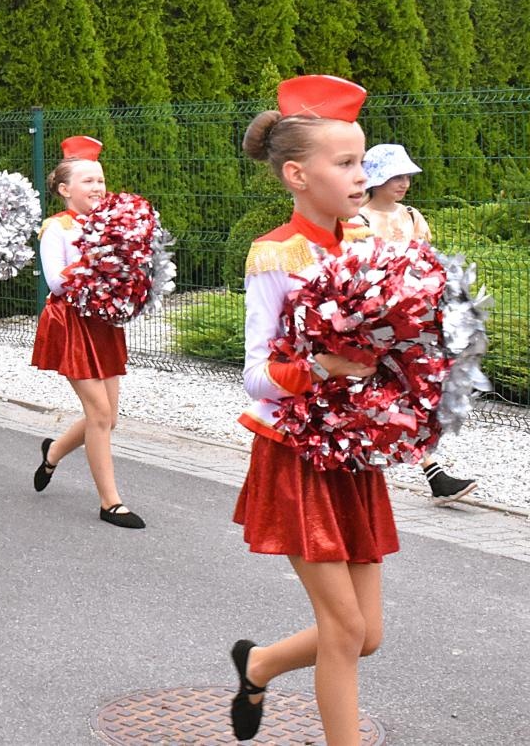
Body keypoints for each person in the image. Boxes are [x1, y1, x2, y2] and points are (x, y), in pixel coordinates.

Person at [229, 75, 394, 745]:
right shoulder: (275, 253)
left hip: (353, 452)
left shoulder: (367, 244)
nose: (362, 175)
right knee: (345, 630)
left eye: (362, 160)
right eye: (346, 163)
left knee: (367, 634)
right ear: (297, 175)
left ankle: (260, 664)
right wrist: (325, 366)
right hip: (296, 454)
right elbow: (255, 375)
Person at [30, 136, 143, 529]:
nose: (98, 187)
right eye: (88, 181)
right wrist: (97, 259)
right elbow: (56, 283)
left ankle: (53, 453)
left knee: (109, 418)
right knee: (99, 414)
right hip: (71, 323)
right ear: (65, 190)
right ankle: (110, 502)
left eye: (100, 180)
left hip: (103, 323)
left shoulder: (113, 223)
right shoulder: (56, 228)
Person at [355, 143, 478, 504]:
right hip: (377, 323)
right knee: (381, 392)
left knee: (413, 393)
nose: (404, 183)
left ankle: (429, 472)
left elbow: (429, 262)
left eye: (407, 176)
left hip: (415, 321)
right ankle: (415, 471)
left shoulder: (412, 217)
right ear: (376, 179)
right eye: (396, 176)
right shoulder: (359, 221)